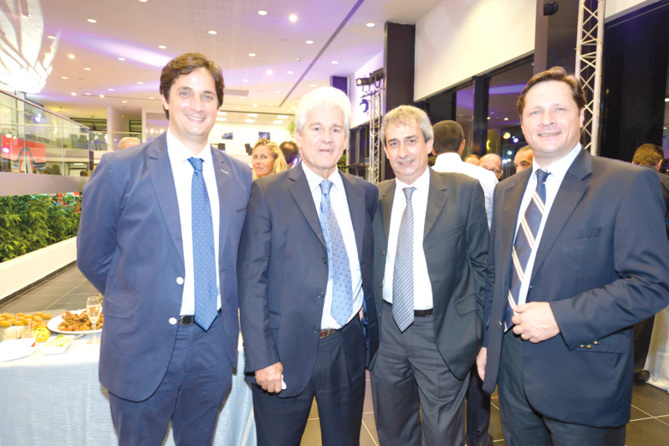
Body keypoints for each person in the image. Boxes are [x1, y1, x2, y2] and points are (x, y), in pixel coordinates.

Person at [477, 66, 669, 445]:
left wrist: (560, 317)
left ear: (581, 116)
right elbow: (496, 275)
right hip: (512, 375)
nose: (546, 120)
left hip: (583, 378)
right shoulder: (507, 190)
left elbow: (651, 284)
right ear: (523, 122)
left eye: (559, 109)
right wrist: (488, 342)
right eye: (535, 112)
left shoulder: (626, 183)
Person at [77, 53, 252, 445]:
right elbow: (93, 256)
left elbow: (238, 256)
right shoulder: (121, 168)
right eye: (185, 93)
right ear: (165, 99)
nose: (197, 105)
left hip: (212, 345)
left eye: (207, 95)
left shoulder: (239, 174)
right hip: (141, 343)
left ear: (218, 105)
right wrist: (139, 299)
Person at [238, 86, 378, 446]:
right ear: (299, 136)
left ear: (345, 139)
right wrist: (261, 357)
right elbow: (252, 282)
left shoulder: (365, 193)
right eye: (317, 128)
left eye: (336, 129)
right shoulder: (267, 192)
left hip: (347, 348)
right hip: (283, 352)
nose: (326, 138)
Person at [370, 105, 488, 445]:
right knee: (393, 430)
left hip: (442, 331)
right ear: (386, 150)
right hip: (388, 332)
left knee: (442, 434)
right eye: (393, 143)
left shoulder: (463, 190)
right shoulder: (375, 196)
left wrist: (480, 334)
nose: (402, 152)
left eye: (411, 140)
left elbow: (483, 266)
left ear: (429, 144)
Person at [432, 119, 495, 446]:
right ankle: (478, 436)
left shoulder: (422, 178)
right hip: (478, 284)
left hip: (439, 290)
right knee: (477, 368)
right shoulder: (486, 178)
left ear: (431, 146)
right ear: (462, 144)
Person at [630, 142, 669, 383]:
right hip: (653, 255)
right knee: (644, 312)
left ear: (634, 160)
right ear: (659, 163)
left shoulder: (617, 180)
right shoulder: (664, 183)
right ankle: (634, 368)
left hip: (618, 250)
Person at [432, 119, 498, 228]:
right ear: (462, 144)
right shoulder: (487, 176)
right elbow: (497, 219)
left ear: (431, 147)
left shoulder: (420, 179)